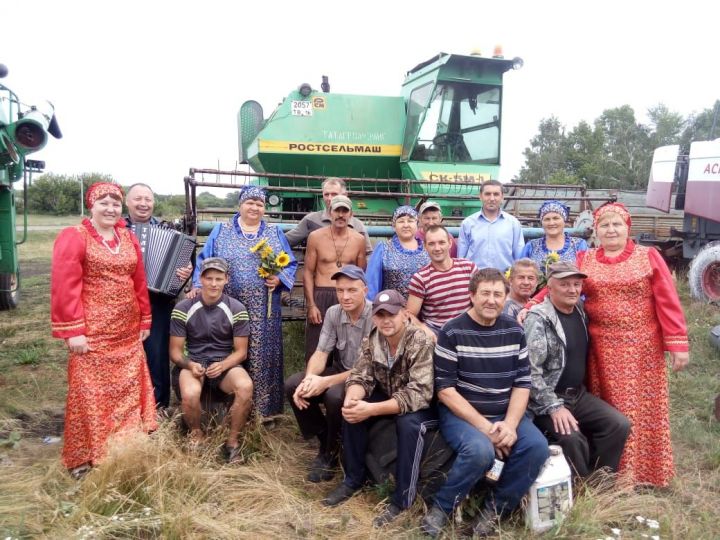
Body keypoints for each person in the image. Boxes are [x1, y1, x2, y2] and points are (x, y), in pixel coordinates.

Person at [523, 202, 689, 487]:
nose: (611, 230)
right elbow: (561, 285)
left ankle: (640, 473)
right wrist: (532, 304)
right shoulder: (585, 258)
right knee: (610, 408)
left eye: (617, 225)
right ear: (596, 230)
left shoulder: (647, 256)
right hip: (600, 348)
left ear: (628, 228)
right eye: (604, 225)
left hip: (642, 348)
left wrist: (677, 342)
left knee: (639, 409)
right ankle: (605, 471)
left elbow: (667, 299)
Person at [422, 268, 548, 538]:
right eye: (485, 294)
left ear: (505, 298)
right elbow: (445, 390)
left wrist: (511, 425)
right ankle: (442, 508)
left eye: (497, 294)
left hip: (505, 411)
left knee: (536, 448)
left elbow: (522, 383)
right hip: (462, 414)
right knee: (480, 451)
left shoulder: (514, 330)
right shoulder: (452, 331)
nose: (491, 300)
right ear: (471, 296)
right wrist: (485, 428)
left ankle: (493, 511)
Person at [51, 182, 157, 478]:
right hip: (92, 332)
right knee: (90, 392)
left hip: (126, 330)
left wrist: (145, 319)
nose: (110, 209)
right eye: (104, 203)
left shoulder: (127, 237)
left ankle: (122, 448)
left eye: (115, 204)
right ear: (91, 206)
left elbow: (138, 280)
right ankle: (84, 455)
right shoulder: (75, 237)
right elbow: (64, 286)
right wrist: (74, 331)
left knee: (125, 389)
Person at [322, 290, 436, 528]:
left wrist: (372, 409)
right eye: (380, 315)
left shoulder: (420, 340)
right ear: (374, 317)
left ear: (405, 314)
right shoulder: (373, 338)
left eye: (392, 314)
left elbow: (419, 393)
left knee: (408, 424)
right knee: (352, 408)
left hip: (425, 404)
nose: (386, 320)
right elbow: (360, 375)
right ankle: (353, 479)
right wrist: (354, 400)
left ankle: (403, 499)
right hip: (391, 394)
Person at [191, 185, 297, 418]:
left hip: (264, 309)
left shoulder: (274, 231)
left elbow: (289, 263)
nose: (255, 207)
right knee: (226, 351)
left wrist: (279, 279)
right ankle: (224, 410)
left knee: (262, 354)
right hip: (226, 307)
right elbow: (204, 260)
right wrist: (199, 286)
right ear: (240, 205)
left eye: (260, 204)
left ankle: (262, 413)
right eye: (250, 202)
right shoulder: (222, 230)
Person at [524, 261, 630, 478]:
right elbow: (530, 372)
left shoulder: (580, 310)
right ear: (550, 287)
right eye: (565, 285)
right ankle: (580, 492)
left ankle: (601, 484)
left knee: (618, 424)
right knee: (571, 438)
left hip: (578, 395)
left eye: (576, 284)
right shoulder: (539, 318)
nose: (572, 290)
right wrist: (554, 407)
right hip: (546, 400)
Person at [285, 265, 374, 482]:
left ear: (365, 290)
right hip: (342, 369)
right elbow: (321, 352)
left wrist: (325, 381)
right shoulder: (334, 312)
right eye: (340, 290)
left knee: (334, 395)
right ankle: (326, 437)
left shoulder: (374, 315)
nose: (345, 296)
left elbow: (367, 367)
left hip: (366, 377)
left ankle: (330, 454)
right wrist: (309, 380)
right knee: (294, 386)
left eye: (352, 290)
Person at [170, 257, 253, 463]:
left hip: (224, 362)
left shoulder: (237, 308)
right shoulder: (183, 307)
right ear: (201, 279)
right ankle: (197, 435)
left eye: (219, 278)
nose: (214, 284)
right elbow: (175, 352)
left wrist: (223, 365)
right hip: (195, 361)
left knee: (245, 386)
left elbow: (241, 352)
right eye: (209, 279)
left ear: (227, 279)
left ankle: (232, 443)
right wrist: (190, 364)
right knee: (190, 393)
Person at [124, 182, 193, 409]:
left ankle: (158, 405)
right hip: (122, 302)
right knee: (124, 354)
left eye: (148, 199)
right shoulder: (116, 228)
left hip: (158, 302)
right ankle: (127, 406)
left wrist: (184, 273)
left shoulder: (166, 230)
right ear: (127, 202)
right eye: (138, 199)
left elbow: (181, 270)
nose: (143, 204)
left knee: (157, 353)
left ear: (153, 203)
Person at [303, 195, 366, 361]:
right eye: (337, 210)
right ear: (330, 213)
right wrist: (311, 305)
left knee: (346, 346)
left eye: (345, 211)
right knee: (317, 346)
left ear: (351, 214)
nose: (341, 215)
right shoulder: (315, 237)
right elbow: (308, 272)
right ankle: (314, 382)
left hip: (347, 295)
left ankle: (342, 383)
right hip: (322, 294)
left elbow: (361, 274)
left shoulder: (359, 239)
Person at [407, 225, 478, 339]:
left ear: (450, 243)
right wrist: (424, 329)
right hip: (437, 334)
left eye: (441, 242)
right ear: (425, 246)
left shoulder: (469, 268)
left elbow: (479, 303)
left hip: (467, 330)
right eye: (431, 244)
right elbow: (409, 315)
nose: (437, 248)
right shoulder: (420, 278)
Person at [285, 177, 373, 254]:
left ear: (345, 195)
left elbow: (368, 254)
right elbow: (285, 241)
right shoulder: (311, 220)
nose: (329, 198)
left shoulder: (358, 226)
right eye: (326, 194)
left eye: (334, 194)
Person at [457, 179, 525, 270]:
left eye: (496, 194)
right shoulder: (468, 223)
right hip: (475, 280)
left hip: (504, 280)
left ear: (502, 197)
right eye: (487, 194)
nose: (492, 198)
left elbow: (519, 258)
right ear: (480, 196)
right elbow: (461, 259)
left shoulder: (513, 224)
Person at [365, 205, 430, 300]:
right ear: (394, 225)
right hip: (391, 310)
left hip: (424, 309)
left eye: (410, 221)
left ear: (417, 224)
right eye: (401, 221)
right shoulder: (383, 248)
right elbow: (372, 283)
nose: (406, 225)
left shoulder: (427, 248)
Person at [520, 200, 588, 274]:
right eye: (547, 219)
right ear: (541, 222)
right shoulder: (532, 246)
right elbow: (521, 272)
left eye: (556, 218)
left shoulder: (578, 245)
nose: (551, 223)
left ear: (564, 220)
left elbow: (587, 272)